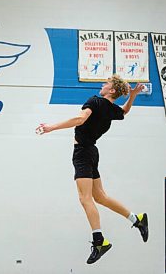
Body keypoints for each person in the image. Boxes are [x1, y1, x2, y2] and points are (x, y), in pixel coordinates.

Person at [36, 74, 149, 264]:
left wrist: (51, 127)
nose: (103, 84)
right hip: (92, 152)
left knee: (85, 198)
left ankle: (99, 242)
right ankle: (136, 219)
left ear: (111, 90)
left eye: (106, 83)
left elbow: (80, 119)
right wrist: (133, 95)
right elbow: (125, 111)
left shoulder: (95, 101)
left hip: (82, 153)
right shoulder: (112, 109)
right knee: (100, 197)